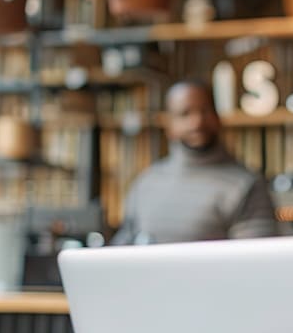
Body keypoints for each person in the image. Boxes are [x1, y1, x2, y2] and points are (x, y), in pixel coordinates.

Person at [111, 80, 278, 245]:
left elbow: (255, 263)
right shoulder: (146, 182)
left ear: (218, 117)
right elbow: (122, 248)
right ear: (169, 125)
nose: (197, 122)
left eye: (205, 111)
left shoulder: (247, 185)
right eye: (185, 114)